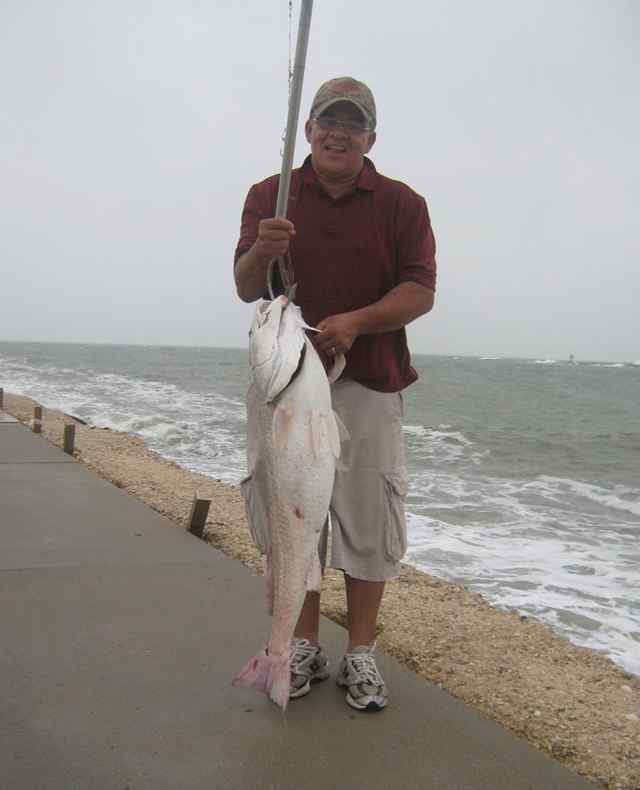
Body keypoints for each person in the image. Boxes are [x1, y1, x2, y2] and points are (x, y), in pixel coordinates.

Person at [234, 77, 436, 712]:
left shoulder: (402, 204)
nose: (339, 133)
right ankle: (298, 645)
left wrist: (356, 322)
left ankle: (361, 651)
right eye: (328, 121)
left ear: (371, 138)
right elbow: (246, 287)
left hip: (369, 380)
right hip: (284, 389)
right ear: (309, 130)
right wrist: (262, 251)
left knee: (369, 519)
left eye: (353, 124)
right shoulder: (271, 195)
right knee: (291, 518)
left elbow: (420, 291)